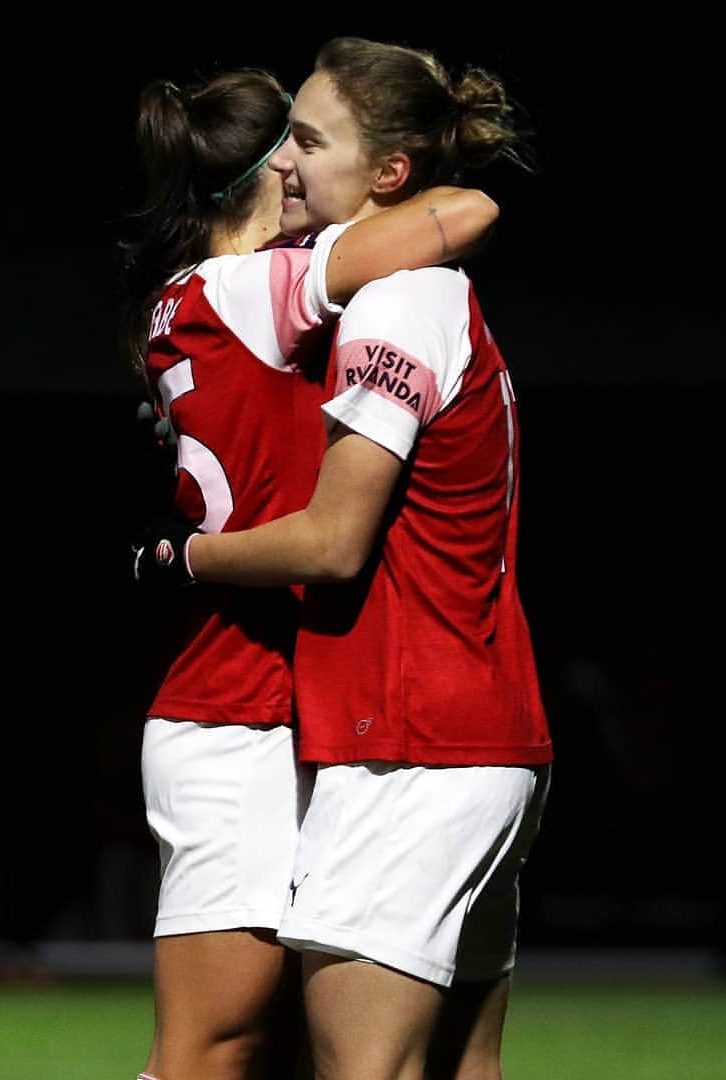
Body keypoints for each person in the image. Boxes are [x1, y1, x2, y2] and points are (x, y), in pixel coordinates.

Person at [132, 37, 550, 1080]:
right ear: (266, 172)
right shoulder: (256, 290)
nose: (299, 164)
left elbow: (331, 539)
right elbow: (467, 211)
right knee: (236, 1050)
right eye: (293, 142)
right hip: (282, 707)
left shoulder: (386, 301)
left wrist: (179, 558)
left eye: (317, 140)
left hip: (395, 724)